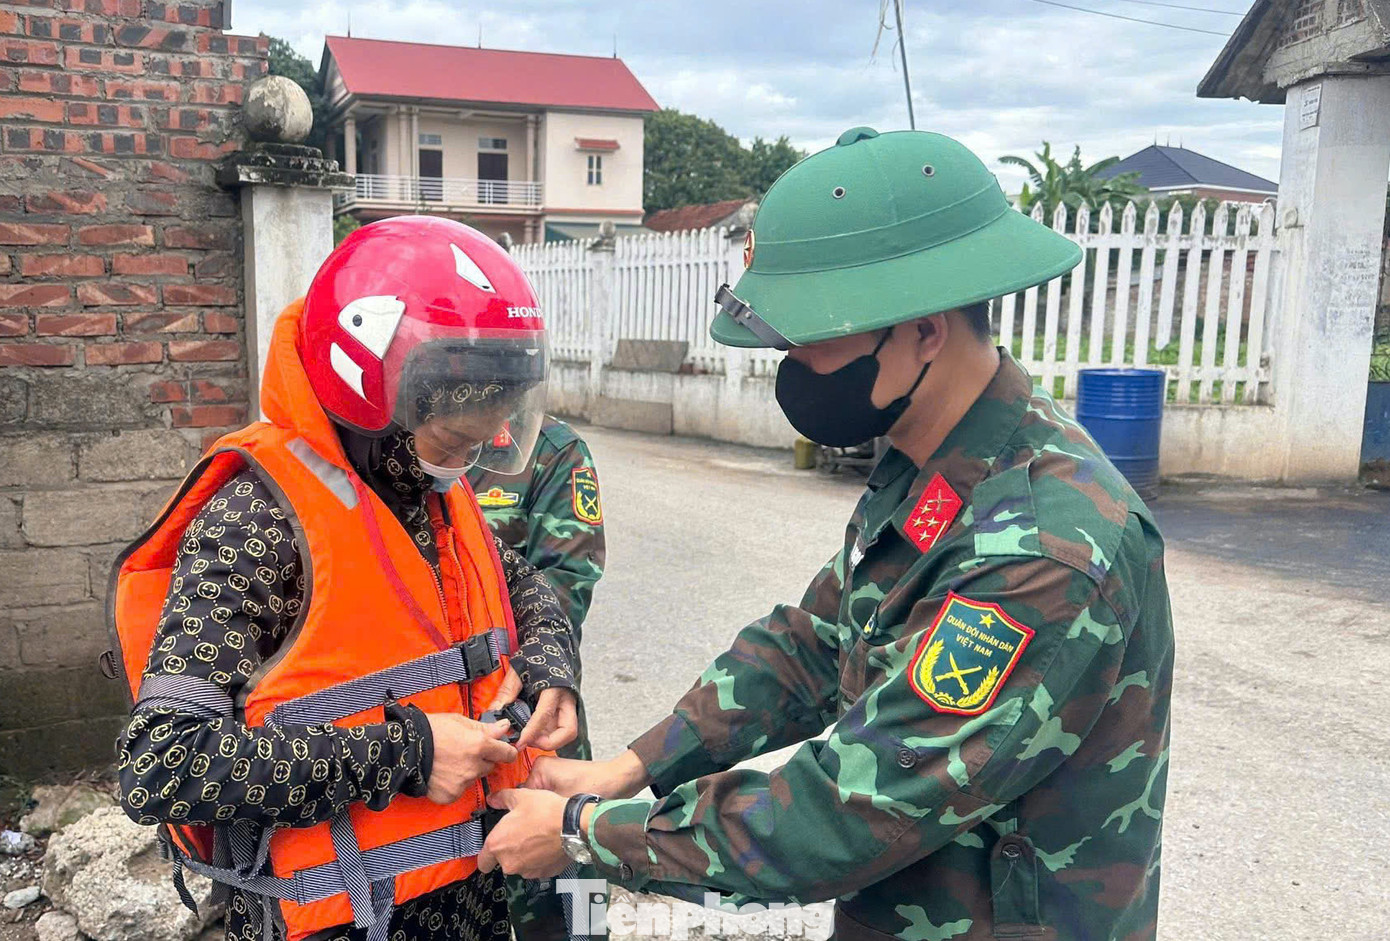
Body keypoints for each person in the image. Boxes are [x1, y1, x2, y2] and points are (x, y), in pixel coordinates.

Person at [478, 128, 1175, 941]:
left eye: (814, 338)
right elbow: (809, 644)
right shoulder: (929, 459)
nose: (793, 363)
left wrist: (583, 835)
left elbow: (848, 811)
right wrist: (633, 765)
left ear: (924, 330)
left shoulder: (1045, 548)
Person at [110, 216, 580, 941]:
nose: (472, 458)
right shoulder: (256, 524)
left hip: (469, 903)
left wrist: (551, 667)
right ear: (369, 396)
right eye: (454, 439)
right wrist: (409, 754)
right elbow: (162, 764)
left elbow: (524, 585)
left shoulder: (424, 492)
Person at [467, 418, 606, 941]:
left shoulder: (550, 452)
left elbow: (568, 582)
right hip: (436, 728)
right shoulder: (396, 444)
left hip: (534, 715)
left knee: (572, 898)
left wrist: (525, 672)